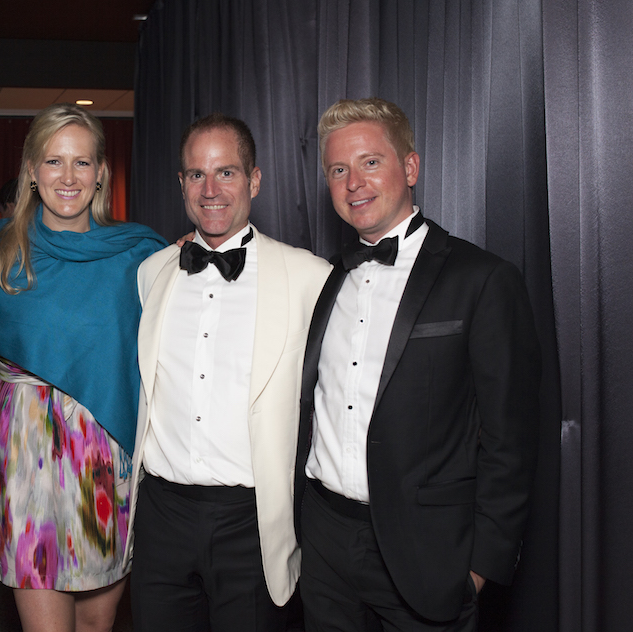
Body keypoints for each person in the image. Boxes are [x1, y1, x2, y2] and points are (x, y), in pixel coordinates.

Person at [297, 97, 540, 631]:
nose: (353, 182)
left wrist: (480, 568)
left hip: (427, 553)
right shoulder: (325, 277)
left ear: (409, 167)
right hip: (323, 541)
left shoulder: (482, 279)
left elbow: (512, 439)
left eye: (370, 162)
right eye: (338, 169)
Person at [124, 113, 333, 631]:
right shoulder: (153, 273)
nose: (210, 189)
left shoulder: (308, 277)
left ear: (254, 180)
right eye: (197, 174)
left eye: (227, 173)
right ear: (181, 183)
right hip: (161, 516)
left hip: (252, 523)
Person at [0, 103, 166, 632]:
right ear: (31, 170)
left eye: (82, 163)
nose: (68, 176)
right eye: (54, 161)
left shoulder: (141, 254)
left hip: (105, 443)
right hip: (25, 443)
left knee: (99, 624)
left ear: (102, 172)